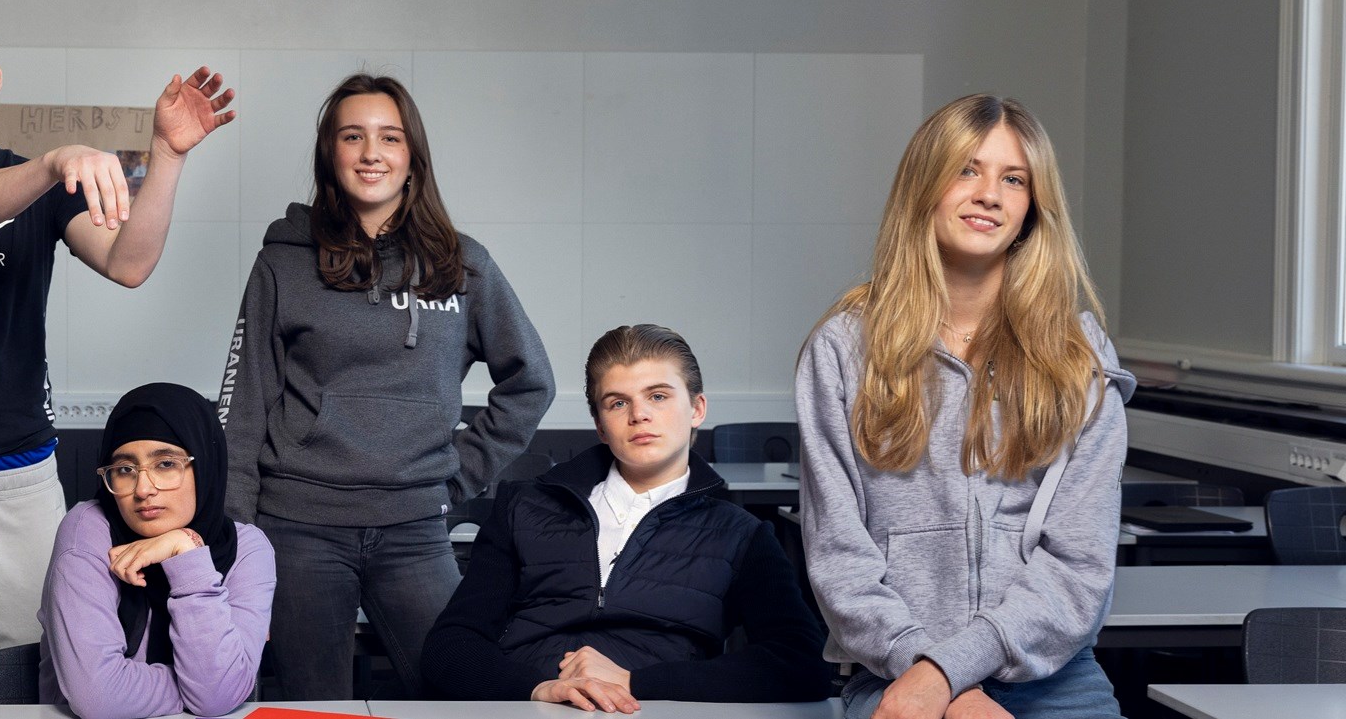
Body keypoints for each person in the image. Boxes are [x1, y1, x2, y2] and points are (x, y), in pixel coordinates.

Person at [0, 5, 234, 705]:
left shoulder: (47, 196)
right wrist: (55, 161)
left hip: (22, 488)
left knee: (37, 698)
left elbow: (129, 263)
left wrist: (168, 155)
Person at [796, 94, 1137, 719]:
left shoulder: (1076, 354)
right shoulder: (844, 348)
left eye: (1014, 179)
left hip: (1056, 677)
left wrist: (951, 671)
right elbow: (840, 560)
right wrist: (931, 678)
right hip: (893, 669)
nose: (990, 194)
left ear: (1033, 207)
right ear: (924, 186)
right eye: (966, 170)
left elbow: (1079, 565)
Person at [218, 72, 554, 699]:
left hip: (415, 528)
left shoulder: (464, 265)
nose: (372, 153)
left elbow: (530, 382)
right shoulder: (283, 263)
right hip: (297, 530)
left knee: (460, 697)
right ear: (331, 154)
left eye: (390, 137)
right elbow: (244, 407)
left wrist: (457, 476)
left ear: (411, 157)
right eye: (353, 136)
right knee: (313, 707)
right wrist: (238, 539)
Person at [421, 324, 832, 712]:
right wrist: (538, 688)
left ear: (697, 408)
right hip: (531, 711)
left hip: (650, 713)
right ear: (601, 426)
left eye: (658, 396)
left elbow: (800, 665)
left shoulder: (741, 535)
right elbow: (450, 648)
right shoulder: (523, 508)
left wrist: (634, 682)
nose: (639, 415)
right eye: (618, 402)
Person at [39, 383, 276, 719]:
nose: (143, 489)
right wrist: (195, 688)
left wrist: (186, 554)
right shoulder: (87, 531)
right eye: (124, 470)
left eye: (165, 464)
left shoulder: (248, 549)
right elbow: (98, 697)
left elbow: (217, 696)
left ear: (205, 464)